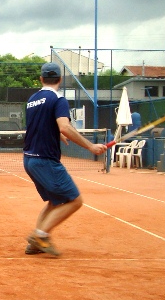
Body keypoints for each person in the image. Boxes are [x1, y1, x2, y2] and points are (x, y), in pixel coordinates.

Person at [23, 63, 106, 256]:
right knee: (75, 201)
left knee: (54, 201)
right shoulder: (58, 99)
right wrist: (91, 146)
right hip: (46, 160)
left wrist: (57, 134)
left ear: (41, 79)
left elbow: (40, 125)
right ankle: (40, 236)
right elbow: (65, 126)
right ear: (60, 79)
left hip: (29, 159)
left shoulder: (32, 99)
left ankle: (35, 243)